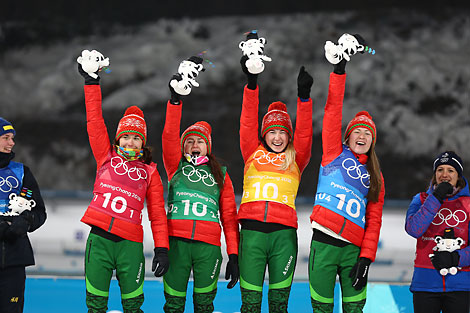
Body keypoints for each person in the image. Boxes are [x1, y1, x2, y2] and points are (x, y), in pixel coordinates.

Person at [77, 53, 169, 313]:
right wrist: (91, 83)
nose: (130, 142)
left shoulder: (150, 172)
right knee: (95, 306)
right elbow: (95, 122)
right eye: (126, 137)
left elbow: (158, 216)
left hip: (130, 245)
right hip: (100, 241)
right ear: (118, 140)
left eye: (136, 138)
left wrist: (162, 248)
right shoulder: (105, 157)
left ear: (143, 142)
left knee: (132, 306)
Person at [237, 31, 314, 312]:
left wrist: (304, 99)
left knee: (279, 304)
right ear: (264, 134)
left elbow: (305, 133)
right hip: (252, 234)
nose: (278, 138)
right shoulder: (251, 152)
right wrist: (252, 83)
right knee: (251, 303)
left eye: (283, 132)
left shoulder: (296, 157)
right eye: (272, 132)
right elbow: (247, 119)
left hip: (284, 236)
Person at [308, 34, 385, 313]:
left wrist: (366, 258)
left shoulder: (375, 174)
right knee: (322, 309)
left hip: (354, 249)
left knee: (354, 310)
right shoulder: (333, 152)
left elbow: (374, 221)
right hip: (324, 244)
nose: (362, 136)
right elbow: (332, 111)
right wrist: (339, 71)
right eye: (358, 132)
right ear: (348, 136)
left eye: (368, 134)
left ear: (372, 141)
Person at [161, 57, 240, 313]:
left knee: (204, 305)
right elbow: (169, 134)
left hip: (209, 247)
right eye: (190, 141)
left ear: (208, 147)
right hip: (177, 243)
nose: (195, 146)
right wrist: (175, 100)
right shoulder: (175, 166)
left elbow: (229, 217)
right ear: (183, 147)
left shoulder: (221, 174)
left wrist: (234, 255)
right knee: (174, 304)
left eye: (200, 142)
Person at [405, 151, 470, 313]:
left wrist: (456, 258)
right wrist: (436, 198)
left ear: (458, 176)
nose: (445, 174)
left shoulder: (468, 204)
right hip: (425, 285)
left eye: (451, 170)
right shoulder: (420, 199)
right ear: (434, 175)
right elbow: (414, 229)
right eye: (440, 170)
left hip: (460, 285)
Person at [0, 117, 47, 313]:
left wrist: (25, 222)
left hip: (14, 259)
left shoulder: (21, 172)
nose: (12, 143)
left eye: (12, 138)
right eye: (6, 137)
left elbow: (39, 213)